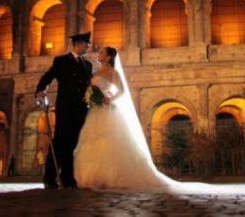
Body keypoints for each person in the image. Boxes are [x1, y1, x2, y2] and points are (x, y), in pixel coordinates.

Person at [73, 47, 173, 191]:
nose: (98, 54)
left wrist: (109, 98)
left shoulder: (113, 73)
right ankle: (91, 177)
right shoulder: (95, 72)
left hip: (107, 110)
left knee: (107, 141)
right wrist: (90, 97)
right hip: (94, 111)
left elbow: (122, 90)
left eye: (101, 53)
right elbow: (90, 89)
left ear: (108, 57)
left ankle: (110, 176)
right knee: (91, 140)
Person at [35, 31, 94, 189]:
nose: (89, 46)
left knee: (73, 144)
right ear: (78, 44)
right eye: (86, 44)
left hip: (81, 109)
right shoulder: (61, 61)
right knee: (60, 142)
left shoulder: (88, 65)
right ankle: (49, 178)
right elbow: (49, 76)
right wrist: (41, 89)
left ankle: (67, 178)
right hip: (66, 108)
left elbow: (90, 87)